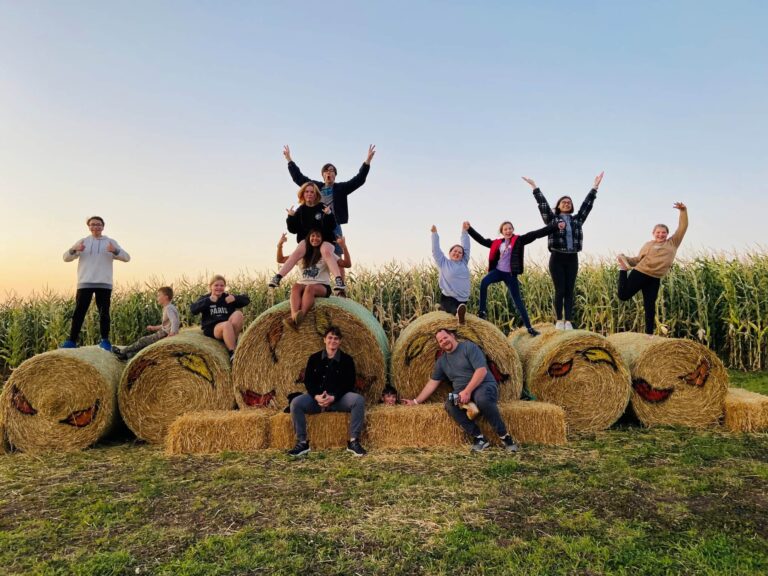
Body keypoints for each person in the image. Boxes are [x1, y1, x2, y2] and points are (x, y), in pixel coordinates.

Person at [402, 329, 519, 453]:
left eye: (445, 337)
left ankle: (505, 437)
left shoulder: (469, 347)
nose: (443, 341)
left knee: (482, 399)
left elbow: (481, 371)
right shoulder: (442, 362)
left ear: (452, 336)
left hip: (483, 385)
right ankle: (479, 438)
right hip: (462, 392)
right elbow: (432, 383)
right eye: (440, 341)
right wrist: (415, 401)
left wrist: (467, 391)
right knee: (450, 404)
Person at [523, 172, 604, 330]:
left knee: (569, 290)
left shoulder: (577, 220)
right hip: (557, 257)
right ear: (559, 206)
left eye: (569, 202)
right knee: (560, 290)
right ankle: (559, 320)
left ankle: (569, 321)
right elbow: (543, 205)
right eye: (563, 202)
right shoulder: (552, 219)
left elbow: (587, 206)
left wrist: (595, 187)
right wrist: (535, 187)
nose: (566, 204)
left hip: (572, 257)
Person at [467, 218, 560, 336]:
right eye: (505, 229)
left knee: (518, 302)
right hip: (498, 271)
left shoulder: (519, 240)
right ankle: (482, 311)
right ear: (502, 231)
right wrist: (469, 229)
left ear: (513, 229)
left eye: (510, 228)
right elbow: (481, 240)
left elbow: (536, 234)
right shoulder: (497, 243)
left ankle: (530, 328)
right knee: (484, 282)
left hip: (510, 275)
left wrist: (555, 226)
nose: (508, 231)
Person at [287, 326, 367, 457]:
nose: (333, 341)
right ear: (324, 340)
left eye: (336, 338)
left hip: (338, 399)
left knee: (358, 400)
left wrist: (333, 397)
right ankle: (302, 443)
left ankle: (353, 442)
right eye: (330, 338)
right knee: (296, 403)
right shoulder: (314, 358)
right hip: (316, 399)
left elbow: (349, 383)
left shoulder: (347, 360)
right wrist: (317, 396)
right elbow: (308, 381)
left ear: (340, 341)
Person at [283, 144, 376, 250]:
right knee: (315, 254)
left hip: (334, 224)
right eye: (326, 171)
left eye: (331, 170)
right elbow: (298, 177)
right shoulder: (316, 187)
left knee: (335, 253)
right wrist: (289, 159)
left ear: (335, 175)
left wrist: (367, 161)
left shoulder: (341, 188)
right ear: (322, 175)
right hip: (317, 224)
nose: (329, 172)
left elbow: (358, 180)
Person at [616, 203, 688, 335]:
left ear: (667, 234)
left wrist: (683, 211)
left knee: (650, 305)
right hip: (641, 272)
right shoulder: (648, 245)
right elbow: (637, 260)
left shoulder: (672, 243)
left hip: (654, 278)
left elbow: (683, 227)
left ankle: (649, 335)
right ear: (653, 233)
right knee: (623, 295)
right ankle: (622, 270)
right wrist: (624, 258)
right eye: (658, 232)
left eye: (663, 232)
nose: (661, 235)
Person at [60, 216, 130, 351]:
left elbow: (127, 258)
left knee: (104, 313)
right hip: (85, 282)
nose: (96, 227)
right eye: (92, 225)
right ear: (89, 227)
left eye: (98, 224)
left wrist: (115, 251)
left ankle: (105, 340)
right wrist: (74, 249)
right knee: (79, 312)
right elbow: (65, 258)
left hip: (104, 283)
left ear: (103, 227)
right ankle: (71, 341)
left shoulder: (110, 242)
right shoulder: (83, 241)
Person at [269, 182, 347, 295]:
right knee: (297, 252)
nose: (309, 194)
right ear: (303, 194)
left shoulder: (322, 207)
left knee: (325, 251)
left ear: (316, 195)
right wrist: (290, 217)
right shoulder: (300, 210)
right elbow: (293, 229)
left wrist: (329, 214)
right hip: (308, 241)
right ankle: (278, 277)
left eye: (312, 192)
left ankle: (338, 280)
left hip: (325, 239)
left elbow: (331, 227)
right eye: (307, 192)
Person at [285, 230, 352, 330]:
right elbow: (280, 259)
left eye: (318, 236)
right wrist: (280, 245)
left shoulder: (326, 253)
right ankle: (294, 316)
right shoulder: (301, 253)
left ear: (322, 240)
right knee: (295, 287)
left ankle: (301, 315)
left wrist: (344, 247)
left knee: (310, 288)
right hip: (304, 284)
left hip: (322, 286)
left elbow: (347, 264)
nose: (315, 238)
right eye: (312, 236)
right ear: (308, 239)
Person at [190, 275, 251, 362]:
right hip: (213, 328)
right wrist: (208, 301)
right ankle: (233, 352)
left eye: (222, 285)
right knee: (226, 324)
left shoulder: (227, 297)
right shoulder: (205, 298)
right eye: (216, 285)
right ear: (210, 286)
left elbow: (246, 300)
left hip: (228, 326)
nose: (219, 288)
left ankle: (232, 341)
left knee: (238, 314)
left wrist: (235, 298)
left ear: (225, 287)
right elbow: (193, 310)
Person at [112, 286, 180, 361]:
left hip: (163, 334)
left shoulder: (169, 308)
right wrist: (154, 327)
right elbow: (167, 324)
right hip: (164, 333)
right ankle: (127, 356)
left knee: (143, 341)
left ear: (166, 297)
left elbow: (174, 321)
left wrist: (172, 333)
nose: (157, 298)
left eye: (159, 295)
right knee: (147, 349)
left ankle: (122, 351)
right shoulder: (170, 307)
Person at [431, 222, 471, 324]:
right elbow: (436, 250)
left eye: (460, 252)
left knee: (460, 308)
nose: (457, 253)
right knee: (452, 308)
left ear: (463, 256)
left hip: (463, 299)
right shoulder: (443, 262)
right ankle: (458, 315)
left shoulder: (464, 262)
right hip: (449, 297)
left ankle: (457, 313)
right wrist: (434, 234)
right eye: (455, 251)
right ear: (450, 253)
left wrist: (464, 231)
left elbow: (466, 246)